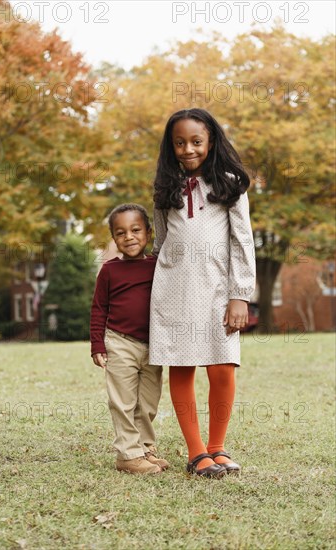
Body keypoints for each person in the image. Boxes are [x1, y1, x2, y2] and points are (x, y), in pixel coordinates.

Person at [149, 108, 256, 478]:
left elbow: (242, 242)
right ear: (171, 146)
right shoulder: (165, 188)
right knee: (181, 365)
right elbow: (161, 241)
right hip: (174, 289)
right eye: (179, 143)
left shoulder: (230, 183)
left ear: (211, 141)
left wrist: (239, 294)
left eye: (196, 141)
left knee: (223, 368)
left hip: (217, 290)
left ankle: (217, 447)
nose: (188, 149)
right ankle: (197, 454)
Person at [90, 203, 169, 475]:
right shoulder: (110, 271)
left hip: (154, 345)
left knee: (147, 401)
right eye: (121, 233)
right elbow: (98, 308)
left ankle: (145, 448)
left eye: (136, 230)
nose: (129, 237)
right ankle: (127, 454)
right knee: (122, 401)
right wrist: (97, 344)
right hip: (119, 342)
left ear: (148, 233)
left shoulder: (159, 266)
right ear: (114, 239)